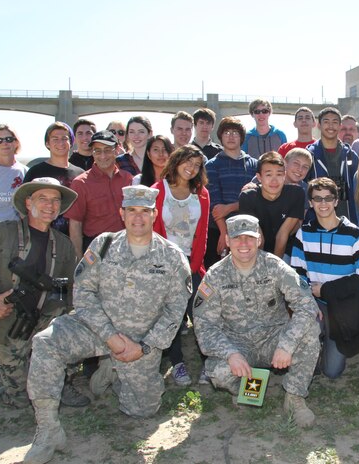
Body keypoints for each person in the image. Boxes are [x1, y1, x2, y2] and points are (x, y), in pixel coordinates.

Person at [23, 185, 192, 463]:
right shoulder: (103, 245)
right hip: (95, 329)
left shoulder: (172, 257)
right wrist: (110, 336)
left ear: (155, 214)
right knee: (46, 342)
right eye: (132, 211)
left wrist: (146, 347)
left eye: (145, 212)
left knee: (142, 410)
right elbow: (84, 292)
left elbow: (175, 311)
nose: (138, 218)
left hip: (139, 341)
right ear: (121, 213)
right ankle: (48, 430)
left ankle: (112, 371)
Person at [0, 177, 83, 409]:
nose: (50, 205)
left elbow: (67, 288)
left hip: (41, 323)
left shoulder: (63, 245)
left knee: (67, 344)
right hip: (4, 325)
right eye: (42, 198)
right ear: (27, 202)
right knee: (21, 399)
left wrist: (59, 318)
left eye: (55, 200)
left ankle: (60, 378)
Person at [193, 215, 320, 428]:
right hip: (238, 343)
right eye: (237, 238)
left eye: (250, 237)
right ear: (227, 240)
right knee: (218, 370)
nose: (244, 244)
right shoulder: (215, 276)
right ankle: (245, 388)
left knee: (309, 333)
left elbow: (306, 305)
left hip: (274, 339)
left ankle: (294, 397)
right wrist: (230, 354)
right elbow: (204, 324)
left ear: (259, 239)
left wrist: (287, 345)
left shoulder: (275, 267)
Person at [290, 178, 359, 379]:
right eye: (317, 198)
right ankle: (316, 343)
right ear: (310, 202)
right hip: (315, 302)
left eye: (328, 198)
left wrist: (326, 289)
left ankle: (328, 341)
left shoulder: (354, 234)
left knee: (332, 372)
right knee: (309, 328)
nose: (323, 203)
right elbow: (296, 274)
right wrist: (310, 300)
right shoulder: (304, 232)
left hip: (343, 307)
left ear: (336, 201)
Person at [152, 145, 210, 387]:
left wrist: (195, 265)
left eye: (197, 165)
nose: (192, 168)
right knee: (172, 315)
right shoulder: (157, 190)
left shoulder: (202, 194)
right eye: (188, 162)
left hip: (192, 263)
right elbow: (152, 231)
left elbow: (203, 231)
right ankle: (177, 363)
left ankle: (210, 362)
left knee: (202, 313)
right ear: (175, 161)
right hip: (164, 264)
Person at [65, 131, 133, 254]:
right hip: (95, 250)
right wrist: (79, 261)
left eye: (107, 150)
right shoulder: (80, 183)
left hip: (127, 248)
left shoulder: (128, 179)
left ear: (117, 149)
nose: (102, 156)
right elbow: (75, 225)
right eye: (97, 151)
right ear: (92, 152)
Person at [204, 116, 258, 268]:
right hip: (219, 229)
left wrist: (230, 207)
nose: (231, 136)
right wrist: (224, 234)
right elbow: (215, 205)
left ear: (242, 137)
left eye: (235, 132)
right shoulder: (212, 165)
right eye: (226, 132)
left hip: (249, 228)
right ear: (220, 136)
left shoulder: (254, 165)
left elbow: (256, 199)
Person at [239, 151, 305, 258]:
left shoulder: (296, 194)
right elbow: (259, 239)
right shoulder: (248, 197)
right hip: (255, 250)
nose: (274, 181)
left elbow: (282, 236)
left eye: (279, 174)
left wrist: (275, 270)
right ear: (259, 177)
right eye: (268, 174)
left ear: (284, 175)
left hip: (286, 251)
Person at [23, 122, 84, 236]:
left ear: (71, 142)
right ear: (47, 143)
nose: (60, 143)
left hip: (74, 237)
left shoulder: (80, 173)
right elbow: (24, 207)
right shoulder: (35, 172)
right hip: (40, 235)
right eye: (55, 139)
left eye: (64, 138)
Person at [306, 107, 359, 223]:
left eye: (335, 122)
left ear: (340, 126)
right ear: (319, 125)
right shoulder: (309, 155)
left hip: (347, 217)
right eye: (326, 122)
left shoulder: (350, 155)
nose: (330, 126)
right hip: (317, 219)